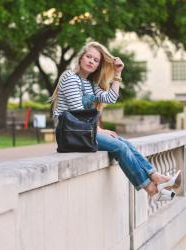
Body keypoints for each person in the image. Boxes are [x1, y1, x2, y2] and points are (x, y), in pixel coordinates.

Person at [52, 41, 181, 201]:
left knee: (124, 142)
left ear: (98, 65)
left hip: (83, 132)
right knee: (119, 146)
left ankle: (156, 176)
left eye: (96, 60)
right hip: (70, 134)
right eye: (88, 57)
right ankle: (151, 189)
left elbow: (110, 98)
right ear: (80, 58)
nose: (91, 61)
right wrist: (101, 130)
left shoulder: (90, 84)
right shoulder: (70, 77)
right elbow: (78, 113)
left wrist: (117, 74)